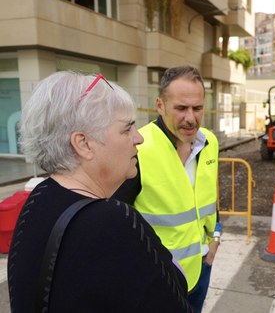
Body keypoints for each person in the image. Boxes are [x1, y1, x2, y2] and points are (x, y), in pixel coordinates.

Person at [8, 71, 192, 312]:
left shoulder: (39, 196)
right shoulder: (112, 221)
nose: (139, 138)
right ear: (83, 143)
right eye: (126, 130)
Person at [113, 65, 221, 313]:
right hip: (157, 279)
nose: (191, 118)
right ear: (160, 106)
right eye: (181, 108)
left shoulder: (209, 142)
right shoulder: (138, 147)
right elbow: (117, 219)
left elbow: (211, 197)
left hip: (201, 268)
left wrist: (215, 237)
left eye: (198, 108)